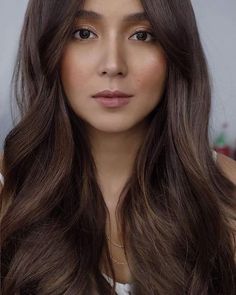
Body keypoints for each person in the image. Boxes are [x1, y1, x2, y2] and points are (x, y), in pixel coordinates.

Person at [0, 0, 236, 294]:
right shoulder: (7, 191)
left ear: (175, 48)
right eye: (83, 33)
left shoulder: (228, 195)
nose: (113, 65)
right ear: (47, 45)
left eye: (142, 35)